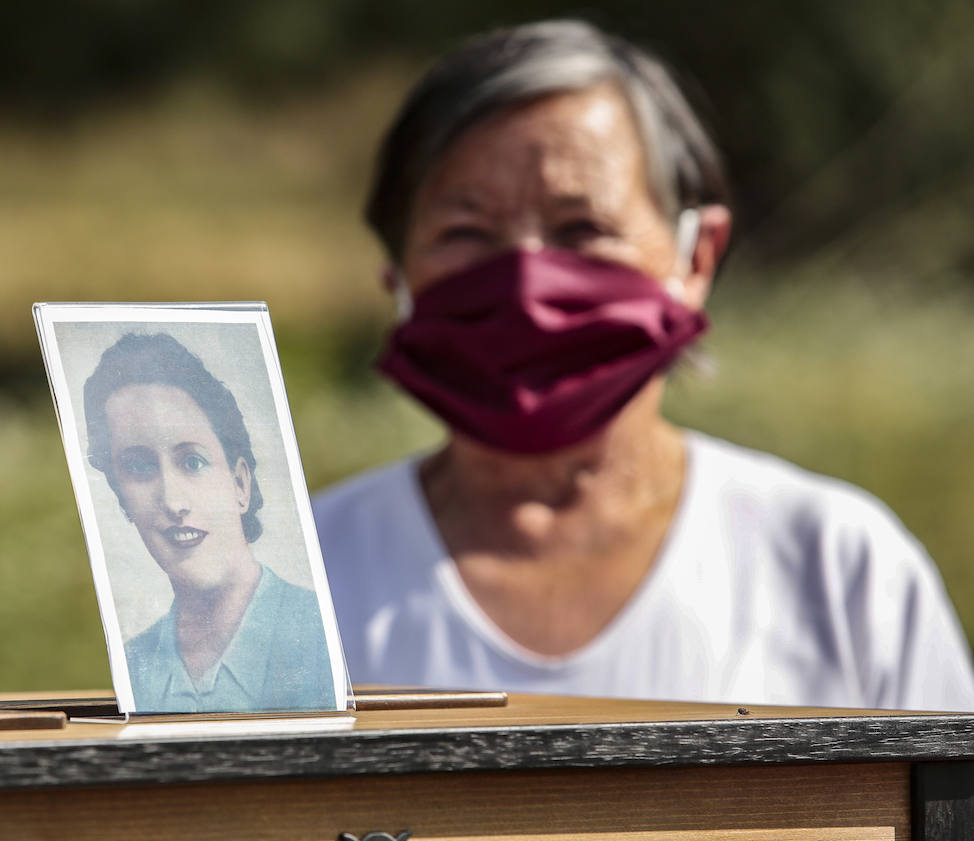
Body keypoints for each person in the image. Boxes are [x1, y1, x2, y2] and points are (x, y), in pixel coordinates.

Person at [312, 20, 974, 710]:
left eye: (582, 229)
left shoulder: (838, 570)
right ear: (396, 277)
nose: (526, 283)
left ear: (696, 256)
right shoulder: (303, 584)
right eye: (465, 233)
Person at [84, 331, 335, 713]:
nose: (172, 501)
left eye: (192, 462)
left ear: (239, 483)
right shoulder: (133, 666)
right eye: (138, 467)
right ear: (123, 499)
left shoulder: (324, 634)